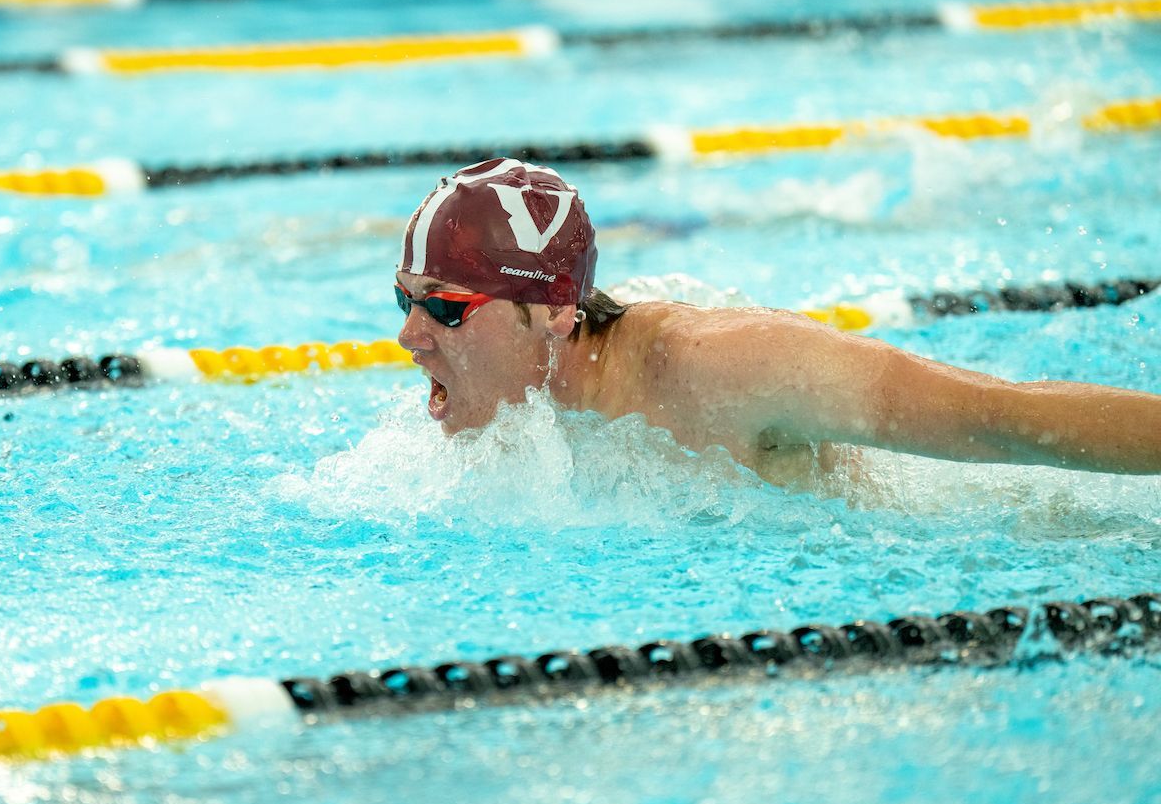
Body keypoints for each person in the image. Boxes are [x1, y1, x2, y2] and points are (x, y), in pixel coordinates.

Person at [394, 158, 1161, 485]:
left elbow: (1006, 418)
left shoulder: (724, 368)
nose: (410, 336)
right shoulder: (510, 415)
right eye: (406, 299)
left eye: (443, 307)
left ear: (555, 311)